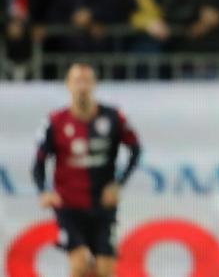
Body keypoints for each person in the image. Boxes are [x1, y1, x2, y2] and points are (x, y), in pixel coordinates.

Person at [32, 63, 141, 277]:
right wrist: (43, 191)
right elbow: (38, 162)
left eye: (86, 81)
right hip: (69, 206)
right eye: (76, 81)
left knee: (104, 269)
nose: (81, 86)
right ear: (68, 85)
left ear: (94, 84)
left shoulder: (113, 117)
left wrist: (118, 185)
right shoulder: (55, 121)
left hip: (102, 205)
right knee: (80, 263)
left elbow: (136, 150)